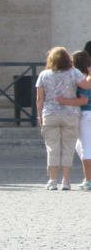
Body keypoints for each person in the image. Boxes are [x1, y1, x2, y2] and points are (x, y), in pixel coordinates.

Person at [35, 46, 84, 190]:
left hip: (50, 113)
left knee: (52, 148)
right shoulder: (74, 73)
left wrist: (39, 117)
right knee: (68, 147)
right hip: (70, 114)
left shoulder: (44, 75)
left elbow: (39, 98)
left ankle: (52, 180)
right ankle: (66, 181)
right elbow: (85, 86)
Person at [63, 50, 91, 190]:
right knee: (80, 146)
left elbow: (84, 100)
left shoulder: (82, 78)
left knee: (85, 147)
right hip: (86, 114)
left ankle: (88, 179)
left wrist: (64, 101)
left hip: (86, 113)